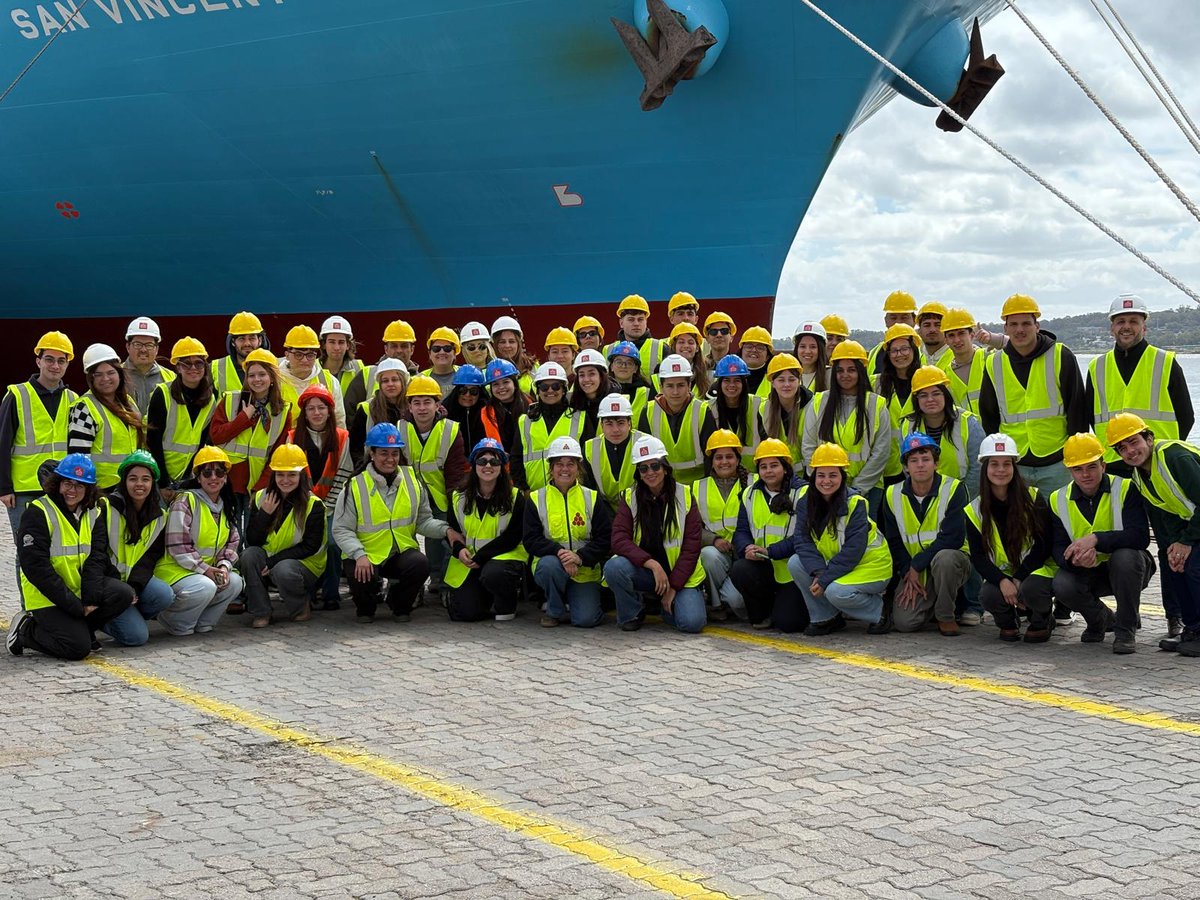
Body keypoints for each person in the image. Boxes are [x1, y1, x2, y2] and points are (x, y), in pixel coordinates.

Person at [6, 454, 132, 661]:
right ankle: (26, 631)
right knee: (77, 650)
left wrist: (90, 599)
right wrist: (75, 606)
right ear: (57, 483)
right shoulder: (38, 512)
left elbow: (97, 557)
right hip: (46, 596)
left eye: (80, 486)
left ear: (88, 489)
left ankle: (82, 630)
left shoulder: (94, 511)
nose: (72, 491)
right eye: (67, 483)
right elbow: (36, 568)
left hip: (76, 587)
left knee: (122, 593)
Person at [333, 424, 460, 622]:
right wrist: (359, 555)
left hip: (399, 553)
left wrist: (446, 531)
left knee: (420, 564)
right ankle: (366, 606)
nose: (390, 459)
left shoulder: (412, 481)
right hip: (366, 554)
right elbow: (341, 529)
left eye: (395, 453)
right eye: (384, 453)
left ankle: (399, 604)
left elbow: (423, 522)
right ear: (372, 453)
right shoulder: (354, 485)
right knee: (359, 581)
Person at [1050, 433, 1153, 654]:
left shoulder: (1126, 488)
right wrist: (1076, 561)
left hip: (1129, 569)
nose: (1085, 474)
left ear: (1103, 465)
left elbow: (1140, 536)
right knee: (1062, 584)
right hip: (1090, 571)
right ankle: (1101, 620)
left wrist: (1097, 538)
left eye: (1092, 467)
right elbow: (1057, 548)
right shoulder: (1057, 499)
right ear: (1069, 471)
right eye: (1078, 469)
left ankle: (1126, 629)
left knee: (1125, 557)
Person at [1108, 412, 1200, 656]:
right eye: (1122, 448)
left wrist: (1187, 542)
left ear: (1149, 438)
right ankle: (1194, 629)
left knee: (1194, 567)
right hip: (1194, 525)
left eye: (1134, 441)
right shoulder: (1139, 475)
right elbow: (1169, 515)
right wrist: (1175, 547)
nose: (1130, 451)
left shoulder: (1174, 457)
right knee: (1176, 565)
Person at [978, 294, 1087, 494]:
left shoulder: (1061, 356)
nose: (1020, 330)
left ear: (1037, 326)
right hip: (1015, 463)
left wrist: (1075, 457)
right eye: (1014, 324)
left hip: (1057, 462)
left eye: (1026, 323)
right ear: (1006, 329)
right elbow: (989, 414)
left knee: (1060, 521)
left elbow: (1077, 409)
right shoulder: (994, 363)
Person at [787, 443, 892, 635]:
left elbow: (853, 551)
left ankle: (880, 612)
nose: (826, 481)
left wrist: (825, 579)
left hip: (871, 567)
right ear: (813, 476)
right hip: (838, 564)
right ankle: (826, 618)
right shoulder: (806, 502)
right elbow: (802, 541)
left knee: (835, 591)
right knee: (795, 563)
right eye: (821, 475)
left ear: (842, 477)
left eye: (833, 475)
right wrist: (819, 572)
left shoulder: (856, 503)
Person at [605, 435, 707, 633]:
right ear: (638, 473)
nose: (650, 472)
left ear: (666, 468)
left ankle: (666, 605)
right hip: (649, 572)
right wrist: (652, 564)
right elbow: (618, 540)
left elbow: (691, 548)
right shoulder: (630, 497)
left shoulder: (684, 495)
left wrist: (673, 587)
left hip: (680, 575)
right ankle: (632, 614)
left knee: (692, 623)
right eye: (643, 468)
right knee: (614, 567)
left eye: (655, 466)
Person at [966, 434, 1056, 643]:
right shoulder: (973, 510)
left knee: (1031, 588)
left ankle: (1041, 619)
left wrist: (1019, 577)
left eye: (1007, 464)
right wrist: (1002, 581)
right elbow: (978, 558)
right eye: (994, 464)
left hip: (1035, 571)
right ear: (985, 468)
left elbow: (1044, 545)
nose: (1001, 470)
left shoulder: (1033, 498)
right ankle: (1008, 622)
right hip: (1003, 573)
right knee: (988, 594)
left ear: (1014, 468)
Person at [879, 433, 972, 636]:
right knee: (905, 623)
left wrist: (915, 565)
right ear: (905, 467)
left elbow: (953, 538)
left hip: (950, 561)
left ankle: (945, 616)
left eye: (926, 459)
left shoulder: (955, 488)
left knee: (945, 559)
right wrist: (906, 571)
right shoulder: (891, 494)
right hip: (915, 568)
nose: (920, 465)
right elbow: (893, 542)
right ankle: (931, 604)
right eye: (913, 461)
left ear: (936, 463)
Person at [1087, 293, 1193, 462]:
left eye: (1133, 321)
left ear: (1144, 327)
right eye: (1121, 321)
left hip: (1158, 461)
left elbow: (1186, 416)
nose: (1126, 327)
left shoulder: (1165, 362)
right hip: (1114, 461)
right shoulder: (1096, 367)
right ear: (1111, 329)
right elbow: (1090, 416)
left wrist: (1171, 454)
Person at [153, 446, 246, 636]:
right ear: (198, 477)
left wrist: (223, 567)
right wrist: (207, 571)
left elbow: (232, 543)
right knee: (206, 587)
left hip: (203, 571)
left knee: (235, 582)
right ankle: (174, 621)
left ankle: (202, 622)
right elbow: (178, 546)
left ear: (226, 476)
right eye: (207, 472)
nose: (214, 477)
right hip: (175, 570)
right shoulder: (186, 500)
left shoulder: (226, 505)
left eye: (219, 472)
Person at [1, 332, 78, 553]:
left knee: (59, 548)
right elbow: (2, 443)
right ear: (38, 361)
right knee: (28, 550)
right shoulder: (17, 395)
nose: (55, 365)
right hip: (26, 489)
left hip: (62, 488)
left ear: (67, 364)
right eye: (49, 359)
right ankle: (26, 590)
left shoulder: (73, 399)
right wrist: (4, 488)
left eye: (61, 360)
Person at [524, 436, 612, 628]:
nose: (565, 469)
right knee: (548, 567)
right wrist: (561, 554)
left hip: (585, 569)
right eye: (559, 464)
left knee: (586, 620)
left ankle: (576, 601)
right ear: (551, 468)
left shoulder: (593, 498)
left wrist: (579, 557)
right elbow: (531, 540)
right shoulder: (536, 498)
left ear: (578, 467)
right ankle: (554, 610)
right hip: (552, 565)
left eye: (570, 464)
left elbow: (605, 539)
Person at [239, 444, 326, 628]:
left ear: (301, 475)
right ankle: (262, 612)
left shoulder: (314, 505)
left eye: (291, 474)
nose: (285, 480)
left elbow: (310, 547)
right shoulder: (261, 497)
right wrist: (264, 515)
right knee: (249, 556)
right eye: (280, 474)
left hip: (304, 566)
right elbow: (252, 541)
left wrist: (273, 562)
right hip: (272, 560)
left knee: (283, 569)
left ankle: (300, 607)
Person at [801, 340, 892, 513]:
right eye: (840, 370)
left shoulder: (876, 404)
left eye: (852, 370)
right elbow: (808, 446)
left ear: (861, 371)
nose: (845, 375)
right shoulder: (819, 402)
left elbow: (881, 452)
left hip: (868, 489)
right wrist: (825, 483)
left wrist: (856, 489)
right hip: (825, 490)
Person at [445, 438, 528, 622]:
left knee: (493, 574)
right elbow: (453, 531)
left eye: (494, 461)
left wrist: (482, 556)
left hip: (502, 560)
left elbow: (513, 536)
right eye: (482, 461)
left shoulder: (516, 497)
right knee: (466, 614)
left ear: (502, 467)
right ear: (474, 465)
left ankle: (506, 602)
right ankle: (483, 598)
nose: (488, 466)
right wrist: (459, 550)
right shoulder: (458, 497)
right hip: (469, 562)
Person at [99, 451, 176, 647]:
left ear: (153, 483)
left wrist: (134, 586)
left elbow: (150, 557)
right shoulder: (106, 508)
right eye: (133, 479)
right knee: (136, 638)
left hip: (132, 582)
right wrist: (122, 589)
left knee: (164, 594)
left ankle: (128, 618)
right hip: (107, 582)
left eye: (145, 479)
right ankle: (103, 621)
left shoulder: (160, 516)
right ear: (124, 481)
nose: (139, 484)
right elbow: (97, 553)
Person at [729, 439, 807, 632]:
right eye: (763, 466)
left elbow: (804, 536)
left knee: (789, 624)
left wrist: (770, 551)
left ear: (786, 467)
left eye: (774, 465)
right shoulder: (749, 493)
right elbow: (741, 531)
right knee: (740, 569)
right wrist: (745, 548)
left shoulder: (803, 492)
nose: (768, 471)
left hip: (792, 570)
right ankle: (761, 613)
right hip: (762, 565)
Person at [402, 374, 469, 596]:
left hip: (441, 494)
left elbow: (456, 472)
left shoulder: (450, 430)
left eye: (427, 402)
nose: (422, 408)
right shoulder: (399, 429)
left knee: (443, 533)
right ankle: (407, 585)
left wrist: (454, 505)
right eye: (417, 402)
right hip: (406, 495)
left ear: (437, 405)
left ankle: (441, 581)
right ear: (409, 406)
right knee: (403, 538)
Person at [208, 348, 293, 521]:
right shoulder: (230, 400)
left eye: (262, 374)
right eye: (251, 375)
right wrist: (243, 418)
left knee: (249, 536)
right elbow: (216, 436)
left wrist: (260, 488)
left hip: (257, 485)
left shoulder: (283, 412)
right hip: (226, 483)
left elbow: (277, 456)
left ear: (272, 379)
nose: (256, 380)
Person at [288, 385, 352, 610]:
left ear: (329, 411)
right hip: (302, 506)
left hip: (333, 506)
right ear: (304, 413)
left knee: (333, 545)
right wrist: (310, 507)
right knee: (306, 545)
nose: (316, 413)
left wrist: (328, 507)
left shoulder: (342, 437)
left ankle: (331, 593)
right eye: (311, 408)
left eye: (321, 408)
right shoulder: (293, 438)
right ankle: (308, 590)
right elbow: (289, 477)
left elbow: (344, 475)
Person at [68, 344, 145, 491]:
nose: (105, 378)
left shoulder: (128, 403)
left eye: (111, 372)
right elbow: (79, 458)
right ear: (90, 378)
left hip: (130, 487)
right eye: (98, 374)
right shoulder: (84, 407)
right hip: (102, 490)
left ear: (119, 373)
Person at [146, 337, 217, 495]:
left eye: (198, 363)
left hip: (188, 479)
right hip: (159, 476)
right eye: (186, 363)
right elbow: (153, 441)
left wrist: (191, 478)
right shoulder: (162, 394)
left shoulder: (210, 399)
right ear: (178, 367)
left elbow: (202, 444)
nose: (193, 368)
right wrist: (162, 481)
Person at [692, 430, 748, 619]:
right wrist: (713, 539)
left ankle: (733, 601)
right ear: (712, 461)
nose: (724, 462)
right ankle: (717, 606)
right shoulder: (697, 487)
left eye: (729, 456)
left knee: (737, 601)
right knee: (707, 555)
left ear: (738, 459)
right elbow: (691, 527)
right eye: (719, 457)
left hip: (745, 553)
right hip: (719, 554)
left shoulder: (754, 483)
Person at [637, 355, 715, 485]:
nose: (675, 392)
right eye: (670, 386)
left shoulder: (702, 410)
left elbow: (711, 456)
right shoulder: (648, 412)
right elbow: (644, 458)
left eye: (680, 385)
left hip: (698, 484)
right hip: (663, 485)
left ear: (689, 385)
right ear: (661, 387)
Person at [904, 366, 983, 493]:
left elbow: (978, 468)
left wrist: (961, 498)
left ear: (946, 395)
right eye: (923, 395)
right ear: (916, 400)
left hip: (962, 495)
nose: (930, 399)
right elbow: (907, 466)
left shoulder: (968, 423)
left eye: (936, 393)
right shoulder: (908, 426)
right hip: (924, 496)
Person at [513, 362, 582, 492]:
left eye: (556, 386)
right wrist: (523, 489)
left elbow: (587, 461)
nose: (550, 390)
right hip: (533, 495)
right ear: (538, 390)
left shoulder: (580, 418)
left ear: (563, 390)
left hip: (571, 493)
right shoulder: (524, 421)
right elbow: (516, 458)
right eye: (544, 387)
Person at [873, 323, 922, 482]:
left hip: (919, 462)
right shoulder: (876, 384)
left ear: (913, 349)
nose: (899, 354)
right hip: (886, 465)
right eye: (894, 350)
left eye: (904, 349)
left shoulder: (925, 379)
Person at [343, 319, 417, 415]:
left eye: (404, 346)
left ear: (412, 349)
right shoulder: (367, 374)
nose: (399, 350)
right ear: (386, 349)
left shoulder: (419, 380)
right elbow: (349, 412)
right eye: (394, 346)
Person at [278, 325, 346, 429]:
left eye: (310, 355)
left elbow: (339, 421)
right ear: (287, 355)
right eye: (298, 355)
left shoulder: (330, 381)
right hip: (283, 444)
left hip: (320, 443)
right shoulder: (275, 380)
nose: (304, 360)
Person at [584, 393, 643, 510]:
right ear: (601, 425)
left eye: (621, 423)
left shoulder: (644, 443)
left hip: (641, 508)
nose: (615, 430)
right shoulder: (590, 447)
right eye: (609, 424)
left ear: (629, 423)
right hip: (604, 510)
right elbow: (588, 490)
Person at [708, 355, 764, 469]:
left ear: (744, 382)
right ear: (719, 383)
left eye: (737, 380)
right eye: (727, 380)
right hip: (722, 473)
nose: (732, 385)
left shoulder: (760, 405)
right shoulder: (708, 409)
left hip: (754, 475)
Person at [349, 358, 408, 465]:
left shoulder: (412, 408)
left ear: (403, 382)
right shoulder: (366, 409)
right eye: (385, 381)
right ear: (379, 384)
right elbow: (356, 448)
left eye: (395, 379)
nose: (390, 384)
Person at [761, 353, 812, 465]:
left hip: (807, 474)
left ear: (799, 381)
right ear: (773, 383)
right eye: (781, 380)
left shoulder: (812, 406)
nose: (787, 384)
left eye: (792, 379)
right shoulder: (764, 409)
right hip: (778, 474)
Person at [939, 308, 988, 416]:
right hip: (965, 432)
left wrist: (993, 339)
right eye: (951, 335)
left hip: (995, 431)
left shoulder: (988, 359)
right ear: (946, 340)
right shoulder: (944, 376)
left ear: (972, 335)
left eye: (961, 333)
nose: (957, 340)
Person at [122, 316, 174, 415]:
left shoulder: (170, 377)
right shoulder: (115, 375)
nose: (143, 350)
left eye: (149, 345)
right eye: (137, 344)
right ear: (128, 347)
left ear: (157, 349)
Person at [444, 364, 503, 452]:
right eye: (463, 390)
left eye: (473, 391)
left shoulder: (490, 412)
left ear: (480, 394)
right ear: (457, 392)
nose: (467, 395)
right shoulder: (446, 412)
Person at [609, 294, 665, 383]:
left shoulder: (662, 348)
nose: (636, 324)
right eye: (631, 319)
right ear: (621, 323)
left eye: (640, 319)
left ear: (646, 322)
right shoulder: (608, 350)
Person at [211, 311, 269, 396]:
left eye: (252, 338)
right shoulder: (215, 368)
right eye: (242, 339)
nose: (247, 343)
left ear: (260, 340)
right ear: (233, 342)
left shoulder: (274, 366)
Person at [569, 349, 621, 443]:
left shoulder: (618, 401)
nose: (586, 379)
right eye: (581, 375)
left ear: (601, 376)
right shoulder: (571, 404)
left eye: (591, 374)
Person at [868, 290, 918, 374]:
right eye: (893, 318)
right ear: (886, 321)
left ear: (914, 320)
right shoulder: (875, 352)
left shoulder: (925, 353)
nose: (898, 322)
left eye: (904, 317)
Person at [483, 358, 526, 455]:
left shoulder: (529, 404)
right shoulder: (486, 412)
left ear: (514, 384)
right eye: (496, 384)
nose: (501, 387)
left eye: (506, 382)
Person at [607, 341, 654, 425]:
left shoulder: (647, 393)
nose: (623, 366)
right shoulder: (602, 392)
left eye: (629, 363)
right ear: (611, 367)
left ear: (635, 368)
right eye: (619, 362)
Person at [490, 315, 536, 398]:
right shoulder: (489, 369)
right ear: (495, 344)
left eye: (511, 341)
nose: (507, 346)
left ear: (519, 343)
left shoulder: (533, 367)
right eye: (502, 342)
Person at [318, 315, 364, 397]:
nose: (336, 347)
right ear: (324, 345)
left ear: (348, 345)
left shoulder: (358, 368)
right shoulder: (313, 368)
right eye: (332, 342)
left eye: (341, 342)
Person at [665, 322, 711, 398]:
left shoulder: (708, 371)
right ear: (674, 347)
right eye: (681, 342)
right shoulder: (662, 370)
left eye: (690, 342)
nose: (686, 346)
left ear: (697, 348)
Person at [422, 326, 462, 399]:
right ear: (429, 354)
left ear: (455, 353)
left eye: (447, 348)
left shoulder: (464, 374)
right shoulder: (419, 379)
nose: (442, 352)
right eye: (436, 349)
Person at [738, 326, 775, 399]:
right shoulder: (729, 375)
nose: (754, 350)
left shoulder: (775, 379)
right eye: (749, 346)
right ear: (741, 352)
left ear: (767, 356)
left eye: (760, 347)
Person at [792, 322, 829, 393]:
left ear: (820, 349)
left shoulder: (830, 375)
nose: (807, 351)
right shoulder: (787, 375)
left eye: (813, 347)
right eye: (803, 346)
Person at [916, 301, 952, 369]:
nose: (932, 329)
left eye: (938, 325)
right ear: (919, 330)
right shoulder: (917, 359)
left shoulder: (958, 356)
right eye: (927, 325)